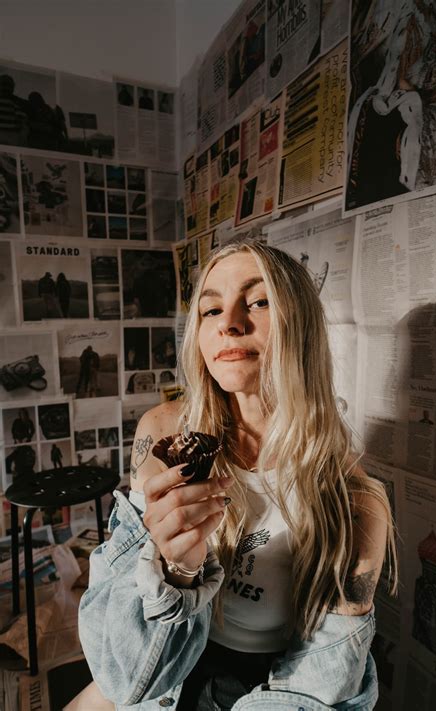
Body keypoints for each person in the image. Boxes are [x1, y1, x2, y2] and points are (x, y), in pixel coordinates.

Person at [76, 241, 397, 710]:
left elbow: (318, 684)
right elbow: (123, 670)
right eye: (210, 310)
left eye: (259, 301)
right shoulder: (165, 435)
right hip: (161, 666)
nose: (229, 323)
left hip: (269, 687)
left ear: (300, 325)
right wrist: (172, 571)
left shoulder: (354, 500)